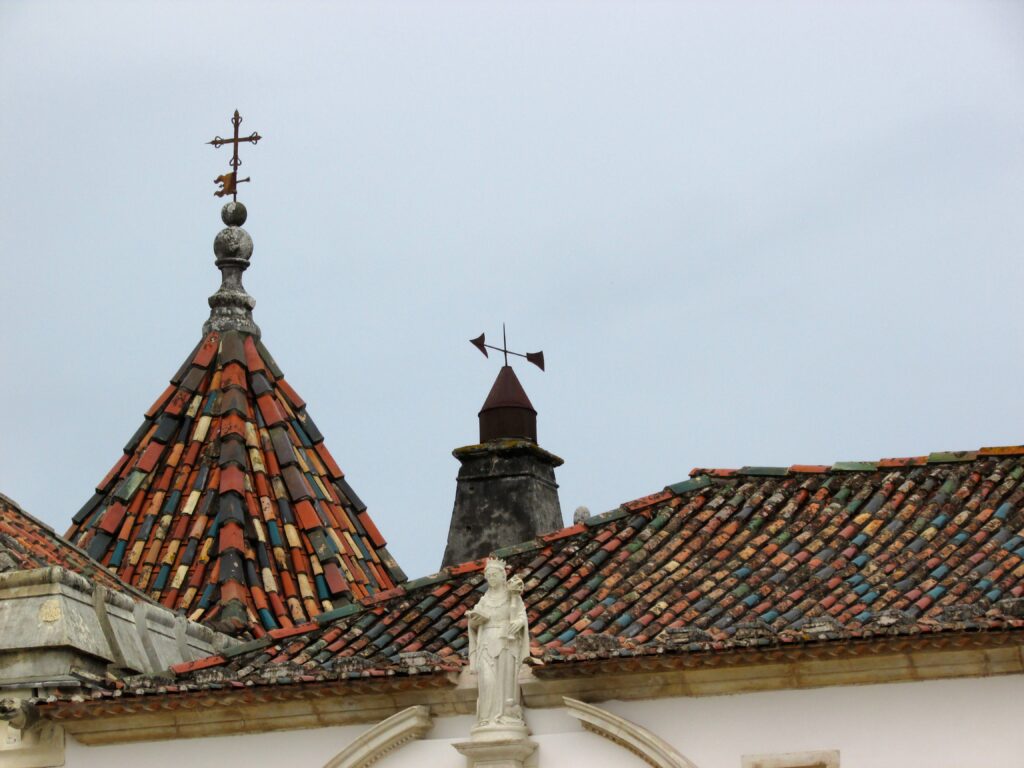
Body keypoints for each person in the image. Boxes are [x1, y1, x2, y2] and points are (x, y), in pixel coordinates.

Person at [467, 558, 530, 727]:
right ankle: (486, 717)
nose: (491, 578)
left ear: (503, 576)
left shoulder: (512, 597)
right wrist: (473, 620)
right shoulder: (484, 600)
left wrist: (518, 623)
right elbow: (473, 626)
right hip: (486, 643)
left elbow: (521, 616)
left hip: (506, 643)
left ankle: (505, 715)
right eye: (488, 575)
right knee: (487, 681)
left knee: (505, 680)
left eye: (494, 575)